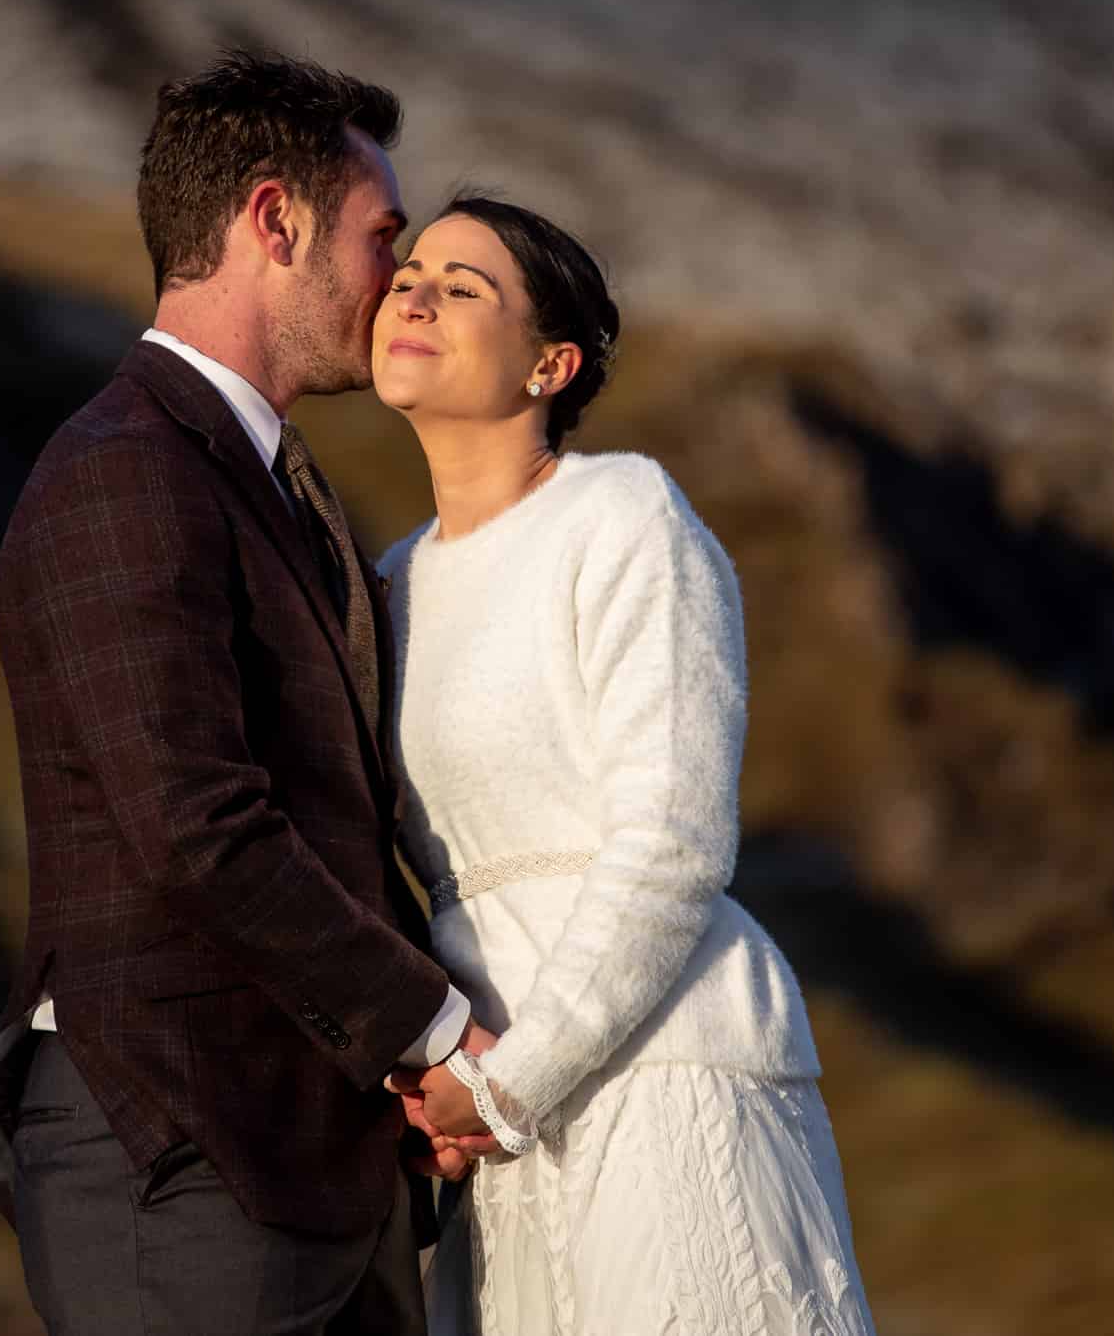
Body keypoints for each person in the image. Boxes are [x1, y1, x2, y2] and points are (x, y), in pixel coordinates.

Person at [0, 50, 488, 1336]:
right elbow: (198, 824)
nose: (398, 284)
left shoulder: (265, 482)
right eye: (381, 240)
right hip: (182, 1159)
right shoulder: (122, 470)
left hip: (311, 1157)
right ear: (273, 222)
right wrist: (428, 1027)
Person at [374, 195, 878, 1336]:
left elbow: (673, 839)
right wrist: (449, 1078)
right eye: (409, 270)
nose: (414, 291)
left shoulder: (623, 513)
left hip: (660, 1072)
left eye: (463, 285)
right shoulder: (386, 583)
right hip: (487, 1117)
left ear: (549, 363)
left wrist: (506, 1084)